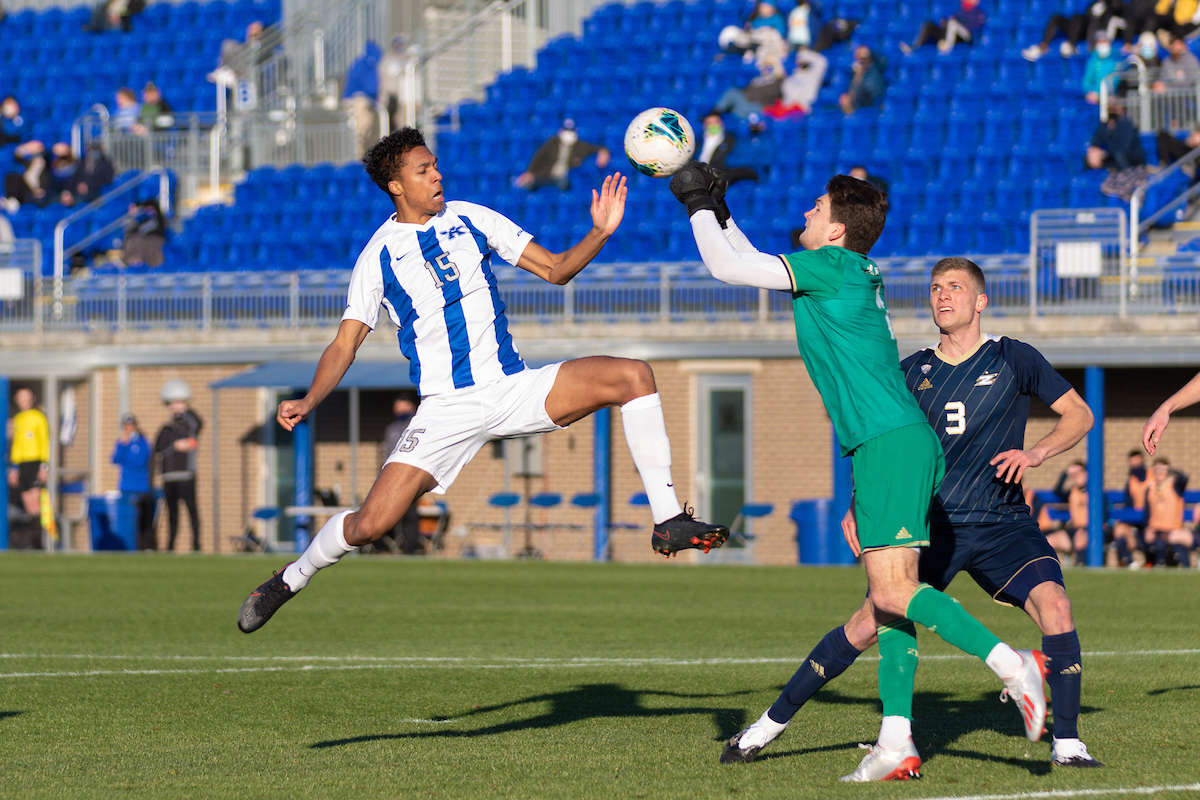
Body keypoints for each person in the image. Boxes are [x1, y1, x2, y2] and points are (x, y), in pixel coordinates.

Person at [236, 127, 727, 634]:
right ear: (396, 186)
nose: (437, 175)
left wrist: (600, 233)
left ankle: (668, 520)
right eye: (423, 170)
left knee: (633, 375)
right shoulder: (378, 255)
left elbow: (556, 270)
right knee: (370, 525)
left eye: (435, 165)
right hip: (447, 408)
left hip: (513, 388)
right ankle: (290, 578)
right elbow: (345, 343)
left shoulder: (471, 218)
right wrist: (310, 400)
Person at [669, 165, 1051, 780]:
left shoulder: (832, 268)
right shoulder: (844, 269)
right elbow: (747, 255)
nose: (805, 215)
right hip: (897, 442)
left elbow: (727, 268)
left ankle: (1015, 667)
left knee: (895, 592)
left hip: (887, 444)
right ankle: (896, 740)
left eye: (816, 208)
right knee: (889, 599)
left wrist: (691, 204)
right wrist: (720, 210)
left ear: (838, 228)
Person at [713, 256, 1100, 769]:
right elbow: (883, 443)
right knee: (870, 621)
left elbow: (1080, 413)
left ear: (980, 301)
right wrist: (859, 502)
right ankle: (766, 728)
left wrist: (1036, 453)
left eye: (955, 287)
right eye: (936, 287)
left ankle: (1067, 744)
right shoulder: (912, 370)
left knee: (1056, 606)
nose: (942, 296)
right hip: (928, 523)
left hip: (1003, 523)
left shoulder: (1014, 358)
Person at [155, 379, 202, 552]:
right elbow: (159, 447)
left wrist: (186, 407)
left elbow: (198, 422)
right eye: (172, 403)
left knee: (192, 512)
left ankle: (196, 546)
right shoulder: (167, 429)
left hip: (186, 476)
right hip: (169, 477)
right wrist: (175, 445)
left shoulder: (190, 425)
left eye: (178, 403)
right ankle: (170, 547)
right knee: (172, 515)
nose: (175, 407)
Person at [514, 119, 611, 192]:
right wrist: (530, 172)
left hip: (564, 178)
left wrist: (603, 152)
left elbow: (597, 148)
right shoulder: (552, 143)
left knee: (563, 184)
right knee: (529, 185)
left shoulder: (580, 146)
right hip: (546, 175)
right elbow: (539, 157)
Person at [8, 387, 49, 549]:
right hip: (22, 464)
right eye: (21, 397)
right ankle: (34, 542)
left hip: (35, 463)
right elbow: (16, 445)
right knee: (28, 503)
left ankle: (39, 542)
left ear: (32, 398)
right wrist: (14, 467)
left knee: (35, 502)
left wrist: (44, 466)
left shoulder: (39, 418)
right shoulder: (18, 419)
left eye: (26, 397)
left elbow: (45, 442)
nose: (24, 400)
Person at [380, 395, 422, 554]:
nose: (401, 411)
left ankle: (410, 549)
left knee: (410, 515)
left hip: (410, 476)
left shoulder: (416, 425)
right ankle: (385, 547)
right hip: (392, 478)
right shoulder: (391, 429)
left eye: (404, 407)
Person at [1022, 0, 1127, 60]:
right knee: (1057, 18)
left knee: (1078, 18)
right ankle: (1043, 46)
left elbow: (1116, 12)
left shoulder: (1114, 4)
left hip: (1094, 31)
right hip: (1081, 26)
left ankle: (1071, 44)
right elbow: (1088, 15)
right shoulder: (1095, 3)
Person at [112, 413, 156, 551]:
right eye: (125, 426)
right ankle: (131, 547)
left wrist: (126, 456)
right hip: (125, 489)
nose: (128, 428)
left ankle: (147, 547)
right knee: (128, 522)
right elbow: (115, 459)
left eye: (130, 425)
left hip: (141, 489)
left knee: (143, 522)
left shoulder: (143, 443)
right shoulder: (122, 443)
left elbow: (140, 462)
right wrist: (124, 446)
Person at [1088, 99, 1148, 200]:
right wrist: (1093, 152)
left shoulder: (1126, 124)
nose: (1112, 108)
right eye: (1109, 105)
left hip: (1131, 159)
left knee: (1119, 155)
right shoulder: (1104, 125)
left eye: (1114, 105)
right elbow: (1096, 142)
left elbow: (1124, 148)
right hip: (1113, 159)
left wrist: (1104, 154)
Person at [1142, 457, 1192, 566]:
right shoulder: (1150, 489)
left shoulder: (1174, 485)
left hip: (1173, 530)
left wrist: (1169, 469)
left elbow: (1184, 478)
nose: (1159, 473)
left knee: (1177, 549)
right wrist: (1147, 529)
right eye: (1157, 470)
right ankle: (1156, 565)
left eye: (1162, 470)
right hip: (1157, 530)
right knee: (1155, 543)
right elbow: (1147, 513)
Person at [899, 0, 986, 55]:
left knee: (952, 23)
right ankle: (914, 48)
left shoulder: (978, 13)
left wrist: (953, 23)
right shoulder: (960, 11)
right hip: (953, 34)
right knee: (928, 24)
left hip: (966, 36)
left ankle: (946, 47)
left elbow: (974, 28)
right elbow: (952, 20)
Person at [763, 47, 828, 119]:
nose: (798, 61)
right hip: (786, 110)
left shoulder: (812, 75)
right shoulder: (792, 76)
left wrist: (803, 53)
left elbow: (822, 62)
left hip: (802, 110)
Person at [343, 40, 382, 160]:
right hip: (360, 100)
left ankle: (359, 156)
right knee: (360, 130)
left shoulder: (359, 63)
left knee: (360, 130)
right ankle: (358, 159)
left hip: (354, 99)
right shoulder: (368, 64)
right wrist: (375, 96)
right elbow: (371, 85)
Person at [697, 112, 759, 186]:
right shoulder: (699, 141)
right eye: (710, 123)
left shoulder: (730, 139)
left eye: (716, 122)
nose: (713, 126)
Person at [1046, 461, 1090, 564]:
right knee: (1047, 541)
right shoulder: (1073, 491)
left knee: (1080, 537)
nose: (1076, 477)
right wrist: (1066, 473)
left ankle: (1080, 564)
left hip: (1089, 531)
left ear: (1086, 474)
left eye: (1079, 473)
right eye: (1073, 474)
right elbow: (1057, 491)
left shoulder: (1094, 491)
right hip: (1074, 530)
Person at [1111, 449, 1150, 566]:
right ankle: (1130, 562)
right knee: (1119, 530)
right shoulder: (1131, 481)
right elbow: (1128, 504)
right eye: (1132, 461)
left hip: (1150, 519)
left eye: (1137, 460)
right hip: (1136, 520)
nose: (1135, 464)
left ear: (1142, 460)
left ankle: (1150, 561)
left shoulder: (1152, 476)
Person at [2, 140, 49, 212]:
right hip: (28, 191)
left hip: (41, 192)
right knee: (12, 176)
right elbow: (17, 155)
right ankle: (11, 199)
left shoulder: (46, 162)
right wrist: (26, 147)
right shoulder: (28, 162)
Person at [839, 45, 885, 115]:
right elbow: (851, 86)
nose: (862, 61)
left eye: (864, 58)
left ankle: (852, 112)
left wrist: (869, 52)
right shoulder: (855, 71)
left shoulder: (875, 67)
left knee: (859, 91)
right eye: (860, 58)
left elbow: (883, 61)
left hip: (871, 96)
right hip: (857, 98)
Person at [121, 198, 168, 267]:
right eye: (147, 209)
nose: (149, 211)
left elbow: (152, 202)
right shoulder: (142, 220)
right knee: (134, 239)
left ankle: (136, 261)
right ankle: (132, 261)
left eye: (151, 209)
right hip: (143, 243)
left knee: (141, 241)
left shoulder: (159, 220)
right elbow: (130, 231)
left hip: (154, 244)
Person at [1083, 33, 1123, 103]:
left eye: (1104, 42)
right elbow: (1086, 82)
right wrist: (1093, 92)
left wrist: (1112, 94)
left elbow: (1118, 80)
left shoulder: (1115, 60)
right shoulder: (1092, 61)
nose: (1102, 44)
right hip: (1097, 95)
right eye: (1100, 42)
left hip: (1112, 95)